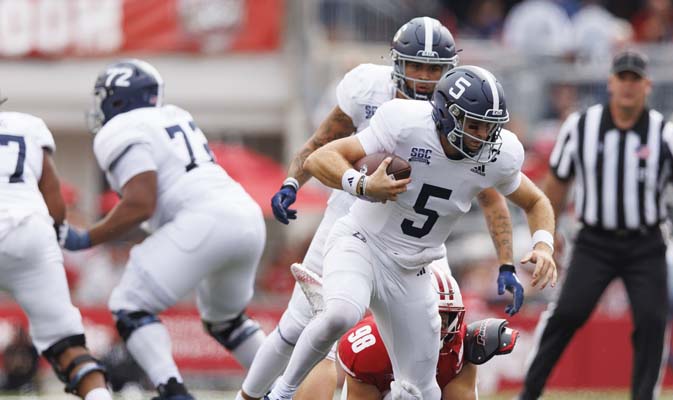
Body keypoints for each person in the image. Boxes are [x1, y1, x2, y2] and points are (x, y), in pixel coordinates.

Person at [242, 16, 519, 400]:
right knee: (299, 324)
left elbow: (491, 195)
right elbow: (323, 142)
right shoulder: (368, 87)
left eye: (435, 69)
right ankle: (251, 397)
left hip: (417, 238)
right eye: (417, 66)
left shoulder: (461, 114)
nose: (424, 77)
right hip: (353, 216)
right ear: (397, 63)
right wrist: (293, 181)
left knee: (442, 324)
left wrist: (506, 260)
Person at [60, 59, 267, 400]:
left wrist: (88, 237)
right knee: (226, 321)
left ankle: (172, 391)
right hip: (245, 217)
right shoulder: (175, 114)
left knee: (129, 304)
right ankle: (282, 390)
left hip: (204, 221)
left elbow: (142, 202)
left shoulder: (120, 128)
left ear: (118, 99)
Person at [521, 50, 673, 400]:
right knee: (567, 314)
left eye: (636, 79)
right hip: (594, 242)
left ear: (647, 85)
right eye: (623, 78)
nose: (628, 86)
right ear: (611, 82)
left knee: (652, 322)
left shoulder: (664, 133)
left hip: (646, 243)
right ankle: (529, 392)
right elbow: (556, 183)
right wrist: (547, 233)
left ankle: (643, 396)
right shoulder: (581, 127)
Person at [0, 103, 112, 399]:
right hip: (30, 230)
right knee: (67, 344)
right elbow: (54, 198)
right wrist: (59, 234)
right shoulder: (26, 125)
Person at [338, 267, 520, 399]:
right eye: (433, 316)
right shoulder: (371, 347)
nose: (439, 326)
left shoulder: (461, 345)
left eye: (447, 317)